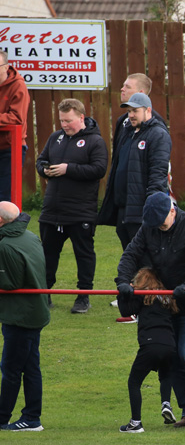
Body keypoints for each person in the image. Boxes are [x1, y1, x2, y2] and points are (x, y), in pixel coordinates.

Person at [116, 192, 185, 429]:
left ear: (172, 210)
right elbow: (131, 253)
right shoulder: (148, 228)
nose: (158, 228)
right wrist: (121, 281)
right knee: (174, 358)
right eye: (154, 225)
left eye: (162, 223)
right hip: (168, 306)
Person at [35, 98, 108, 314]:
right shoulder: (55, 138)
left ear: (81, 117)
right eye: (61, 120)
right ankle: (44, 294)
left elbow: (99, 170)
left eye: (68, 120)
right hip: (52, 210)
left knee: (83, 254)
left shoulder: (95, 141)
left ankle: (84, 297)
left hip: (80, 211)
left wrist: (69, 169)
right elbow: (41, 160)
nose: (64, 125)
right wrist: (44, 170)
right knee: (47, 254)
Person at [98, 92, 171, 252]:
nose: (131, 115)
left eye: (135, 111)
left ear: (148, 111)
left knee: (144, 257)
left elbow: (158, 174)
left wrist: (151, 208)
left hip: (140, 209)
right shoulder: (127, 132)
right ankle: (129, 278)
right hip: (123, 207)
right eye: (129, 111)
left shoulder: (158, 135)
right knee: (129, 254)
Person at [0, 202, 50, 432]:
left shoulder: (6, 246)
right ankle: (31, 417)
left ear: (2, 221)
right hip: (33, 312)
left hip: (20, 316)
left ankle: (5, 417)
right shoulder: (29, 237)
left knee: (11, 369)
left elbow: (10, 282)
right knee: (30, 367)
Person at [117, 267, 178, 433]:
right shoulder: (167, 296)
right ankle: (166, 403)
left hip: (151, 343)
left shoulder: (142, 296)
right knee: (165, 375)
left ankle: (135, 422)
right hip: (170, 344)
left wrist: (122, 291)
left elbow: (125, 311)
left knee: (134, 382)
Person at [0, 50, 29, 203]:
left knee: (5, 199)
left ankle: (7, 227)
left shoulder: (18, 86)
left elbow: (17, 118)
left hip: (10, 149)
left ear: (6, 67)